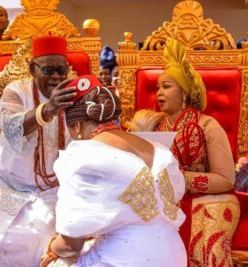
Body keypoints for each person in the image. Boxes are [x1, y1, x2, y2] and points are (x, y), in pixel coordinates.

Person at [39, 75, 186, 267]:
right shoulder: (159, 150)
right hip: (174, 254)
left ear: (77, 126)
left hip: (125, 259)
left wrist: (51, 247)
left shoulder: (84, 156)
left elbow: (71, 245)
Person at [129, 38, 239, 267]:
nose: (159, 92)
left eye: (166, 86)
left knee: (206, 237)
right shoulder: (151, 125)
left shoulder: (208, 125)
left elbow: (226, 179)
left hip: (206, 199)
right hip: (159, 197)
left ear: (185, 93)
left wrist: (179, 179)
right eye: (158, 87)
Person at [0, 35, 76, 267]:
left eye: (61, 69)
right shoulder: (15, 91)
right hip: (10, 187)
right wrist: (47, 110)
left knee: (44, 243)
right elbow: (10, 126)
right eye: (48, 69)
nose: (56, 76)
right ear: (32, 69)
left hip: (56, 191)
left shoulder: (73, 95)